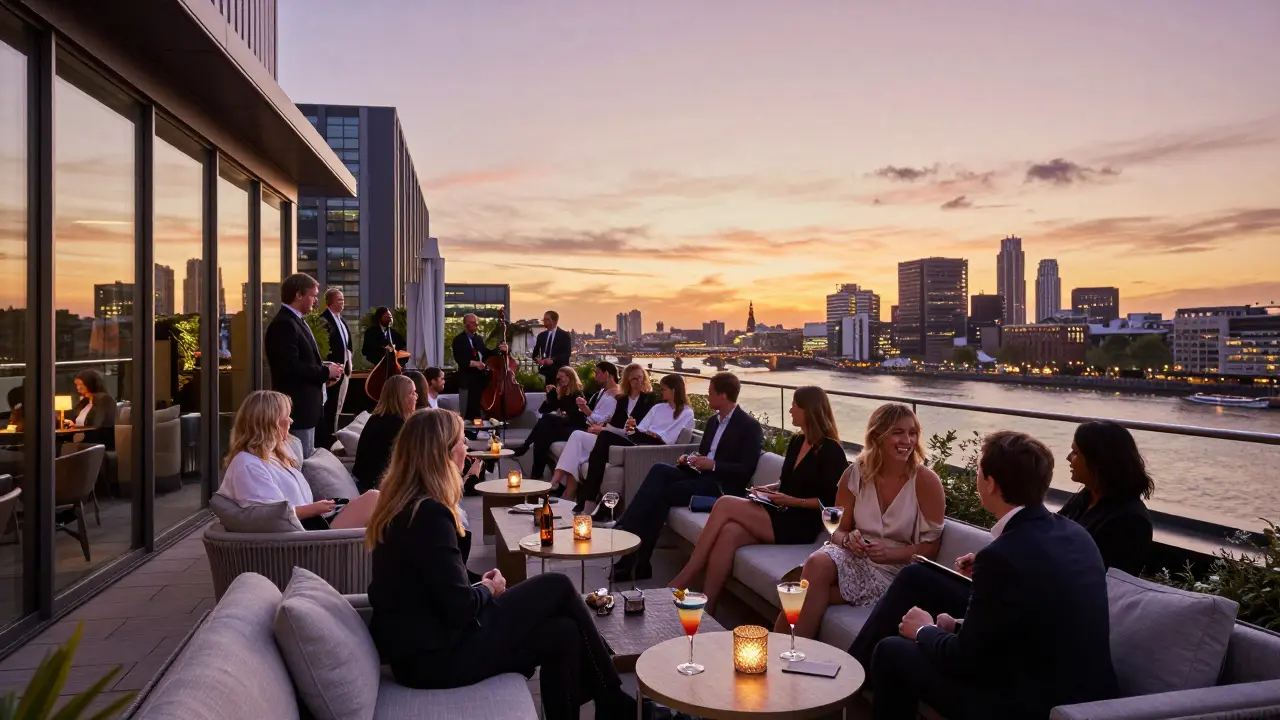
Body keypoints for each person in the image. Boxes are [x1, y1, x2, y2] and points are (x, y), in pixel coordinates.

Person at [365, 409, 636, 719]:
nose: (466, 447)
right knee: (557, 584)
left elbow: (435, 584)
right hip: (438, 658)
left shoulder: (403, 507)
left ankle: (608, 701)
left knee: (563, 631)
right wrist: (488, 589)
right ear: (443, 452)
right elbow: (460, 607)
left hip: (420, 656)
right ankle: (612, 697)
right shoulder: (428, 515)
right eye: (461, 441)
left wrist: (480, 584)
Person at [848, 421, 1157, 670]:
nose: (1069, 458)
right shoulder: (1083, 505)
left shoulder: (1129, 521)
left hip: (1039, 634)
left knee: (895, 645)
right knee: (916, 575)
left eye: (1076, 452)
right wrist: (988, 565)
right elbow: (1042, 543)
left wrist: (925, 630)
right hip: (1027, 601)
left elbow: (1087, 586)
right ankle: (855, 670)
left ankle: (852, 677)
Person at [869, 431, 1118, 720]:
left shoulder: (1002, 555)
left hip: (1030, 706)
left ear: (990, 483)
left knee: (891, 651)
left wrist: (924, 630)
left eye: (978, 472)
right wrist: (958, 626)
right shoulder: (1078, 535)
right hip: (1089, 698)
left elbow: (964, 660)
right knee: (919, 582)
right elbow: (1033, 621)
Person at [670, 386, 848, 613]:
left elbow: (831, 504)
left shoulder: (832, 451)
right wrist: (770, 488)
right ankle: (708, 608)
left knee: (725, 503)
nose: (790, 410)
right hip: (779, 510)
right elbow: (787, 481)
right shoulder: (797, 441)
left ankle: (686, 576)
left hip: (800, 523)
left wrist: (791, 501)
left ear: (809, 410)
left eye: (794, 405)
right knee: (730, 533)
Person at [780, 403, 944, 639]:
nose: (907, 440)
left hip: (896, 569)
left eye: (912, 433)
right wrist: (847, 540)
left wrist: (891, 554)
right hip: (853, 555)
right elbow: (836, 531)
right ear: (877, 436)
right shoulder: (855, 474)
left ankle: (784, 651)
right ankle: (789, 651)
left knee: (801, 591)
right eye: (898, 432)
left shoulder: (926, 481)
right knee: (816, 563)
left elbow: (932, 548)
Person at [611, 372, 764, 582]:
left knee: (661, 495)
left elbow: (746, 470)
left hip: (720, 487)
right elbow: (704, 453)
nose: (707, 396)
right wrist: (690, 460)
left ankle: (631, 549)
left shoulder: (749, 426)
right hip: (700, 475)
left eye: (711, 393)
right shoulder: (713, 422)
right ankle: (637, 554)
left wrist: (713, 465)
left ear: (723, 396)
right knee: (659, 470)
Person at [218, 390, 379, 530]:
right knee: (374, 499)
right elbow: (272, 516)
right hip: (305, 535)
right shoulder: (247, 464)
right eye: (286, 416)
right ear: (269, 422)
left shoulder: (274, 456)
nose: (291, 421)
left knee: (381, 502)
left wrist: (323, 507)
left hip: (314, 522)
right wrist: (315, 508)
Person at [264, 273, 343, 459]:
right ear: (298, 295)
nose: (315, 301)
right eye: (313, 295)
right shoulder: (284, 324)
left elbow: (302, 362)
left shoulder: (296, 321)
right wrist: (325, 372)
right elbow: (289, 368)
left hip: (308, 410)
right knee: (300, 462)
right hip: (298, 412)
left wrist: (326, 371)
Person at [553, 363, 653, 501]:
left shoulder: (648, 400)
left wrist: (602, 429)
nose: (638, 381)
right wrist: (601, 429)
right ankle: (559, 482)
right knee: (577, 435)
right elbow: (614, 425)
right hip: (612, 435)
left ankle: (566, 488)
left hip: (628, 441)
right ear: (627, 381)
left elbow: (640, 429)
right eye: (633, 379)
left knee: (584, 444)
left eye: (640, 378)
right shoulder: (622, 400)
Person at [511, 366, 587, 479]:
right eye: (558, 378)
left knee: (546, 421)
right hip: (562, 425)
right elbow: (543, 410)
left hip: (574, 428)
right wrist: (551, 395)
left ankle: (526, 449)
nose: (559, 380)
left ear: (569, 378)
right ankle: (536, 474)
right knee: (542, 435)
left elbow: (571, 415)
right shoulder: (560, 392)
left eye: (561, 377)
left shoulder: (577, 393)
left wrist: (558, 397)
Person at [352, 375, 417, 493]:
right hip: (377, 488)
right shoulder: (396, 424)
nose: (416, 396)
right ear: (402, 397)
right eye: (412, 393)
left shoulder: (377, 418)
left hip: (369, 483)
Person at [450, 313, 507, 420]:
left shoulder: (478, 339)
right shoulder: (458, 340)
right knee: (466, 409)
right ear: (465, 324)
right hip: (467, 379)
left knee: (479, 407)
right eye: (472, 322)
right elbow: (460, 359)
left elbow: (486, 353)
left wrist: (500, 350)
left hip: (480, 379)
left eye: (476, 322)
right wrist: (475, 364)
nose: (475, 324)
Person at [317, 287, 353, 453]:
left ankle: (334, 436)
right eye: (339, 300)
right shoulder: (323, 320)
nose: (342, 303)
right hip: (332, 372)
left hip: (344, 371)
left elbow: (347, 346)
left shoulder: (342, 321)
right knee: (330, 407)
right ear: (330, 302)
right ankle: (327, 440)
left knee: (338, 407)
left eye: (343, 299)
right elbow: (324, 348)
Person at [69, 369, 118, 447]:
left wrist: (78, 427)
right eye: (76, 385)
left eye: (80, 384)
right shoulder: (84, 402)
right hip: (82, 440)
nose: (78, 388)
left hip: (96, 442)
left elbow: (97, 424)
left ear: (90, 384)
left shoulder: (105, 400)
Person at [530, 310, 572, 390]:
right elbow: (535, 354)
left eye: (547, 319)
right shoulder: (541, 336)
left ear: (554, 321)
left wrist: (552, 360)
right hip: (544, 373)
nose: (545, 322)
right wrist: (539, 360)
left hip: (559, 373)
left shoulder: (564, 335)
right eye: (544, 320)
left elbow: (567, 354)